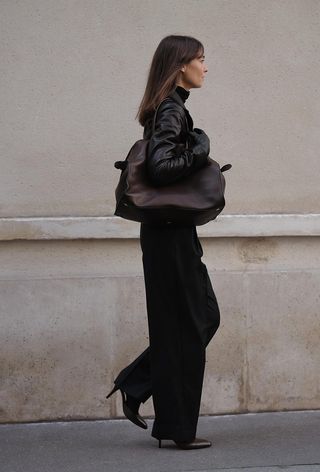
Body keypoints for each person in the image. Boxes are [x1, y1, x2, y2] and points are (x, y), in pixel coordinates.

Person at [107, 35, 221, 450]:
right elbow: (161, 167)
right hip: (169, 232)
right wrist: (199, 149)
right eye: (201, 60)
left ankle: (138, 384)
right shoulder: (171, 109)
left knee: (201, 316)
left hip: (169, 231)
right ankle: (174, 425)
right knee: (191, 321)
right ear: (180, 67)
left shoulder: (170, 107)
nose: (206, 67)